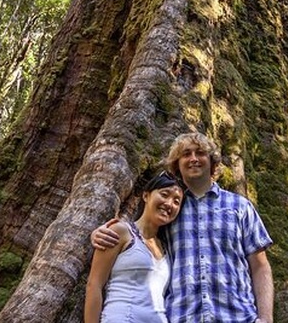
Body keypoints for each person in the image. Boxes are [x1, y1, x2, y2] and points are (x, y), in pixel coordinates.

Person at [93, 133, 274, 323]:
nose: (194, 159)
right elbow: (138, 233)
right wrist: (98, 233)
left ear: (212, 162)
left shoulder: (240, 206)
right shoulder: (169, 210)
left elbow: (260, 266)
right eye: (186, 154)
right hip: (183, 317)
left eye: (200, 153)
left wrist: (266, 318)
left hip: (237, 317)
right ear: (177, 165)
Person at [85, 171, 185, 323]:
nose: (170, 203)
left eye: (177, 201)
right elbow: (94, 285)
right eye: (165, 194)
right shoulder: (120, 231)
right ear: (146, 196)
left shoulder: (167, 247)